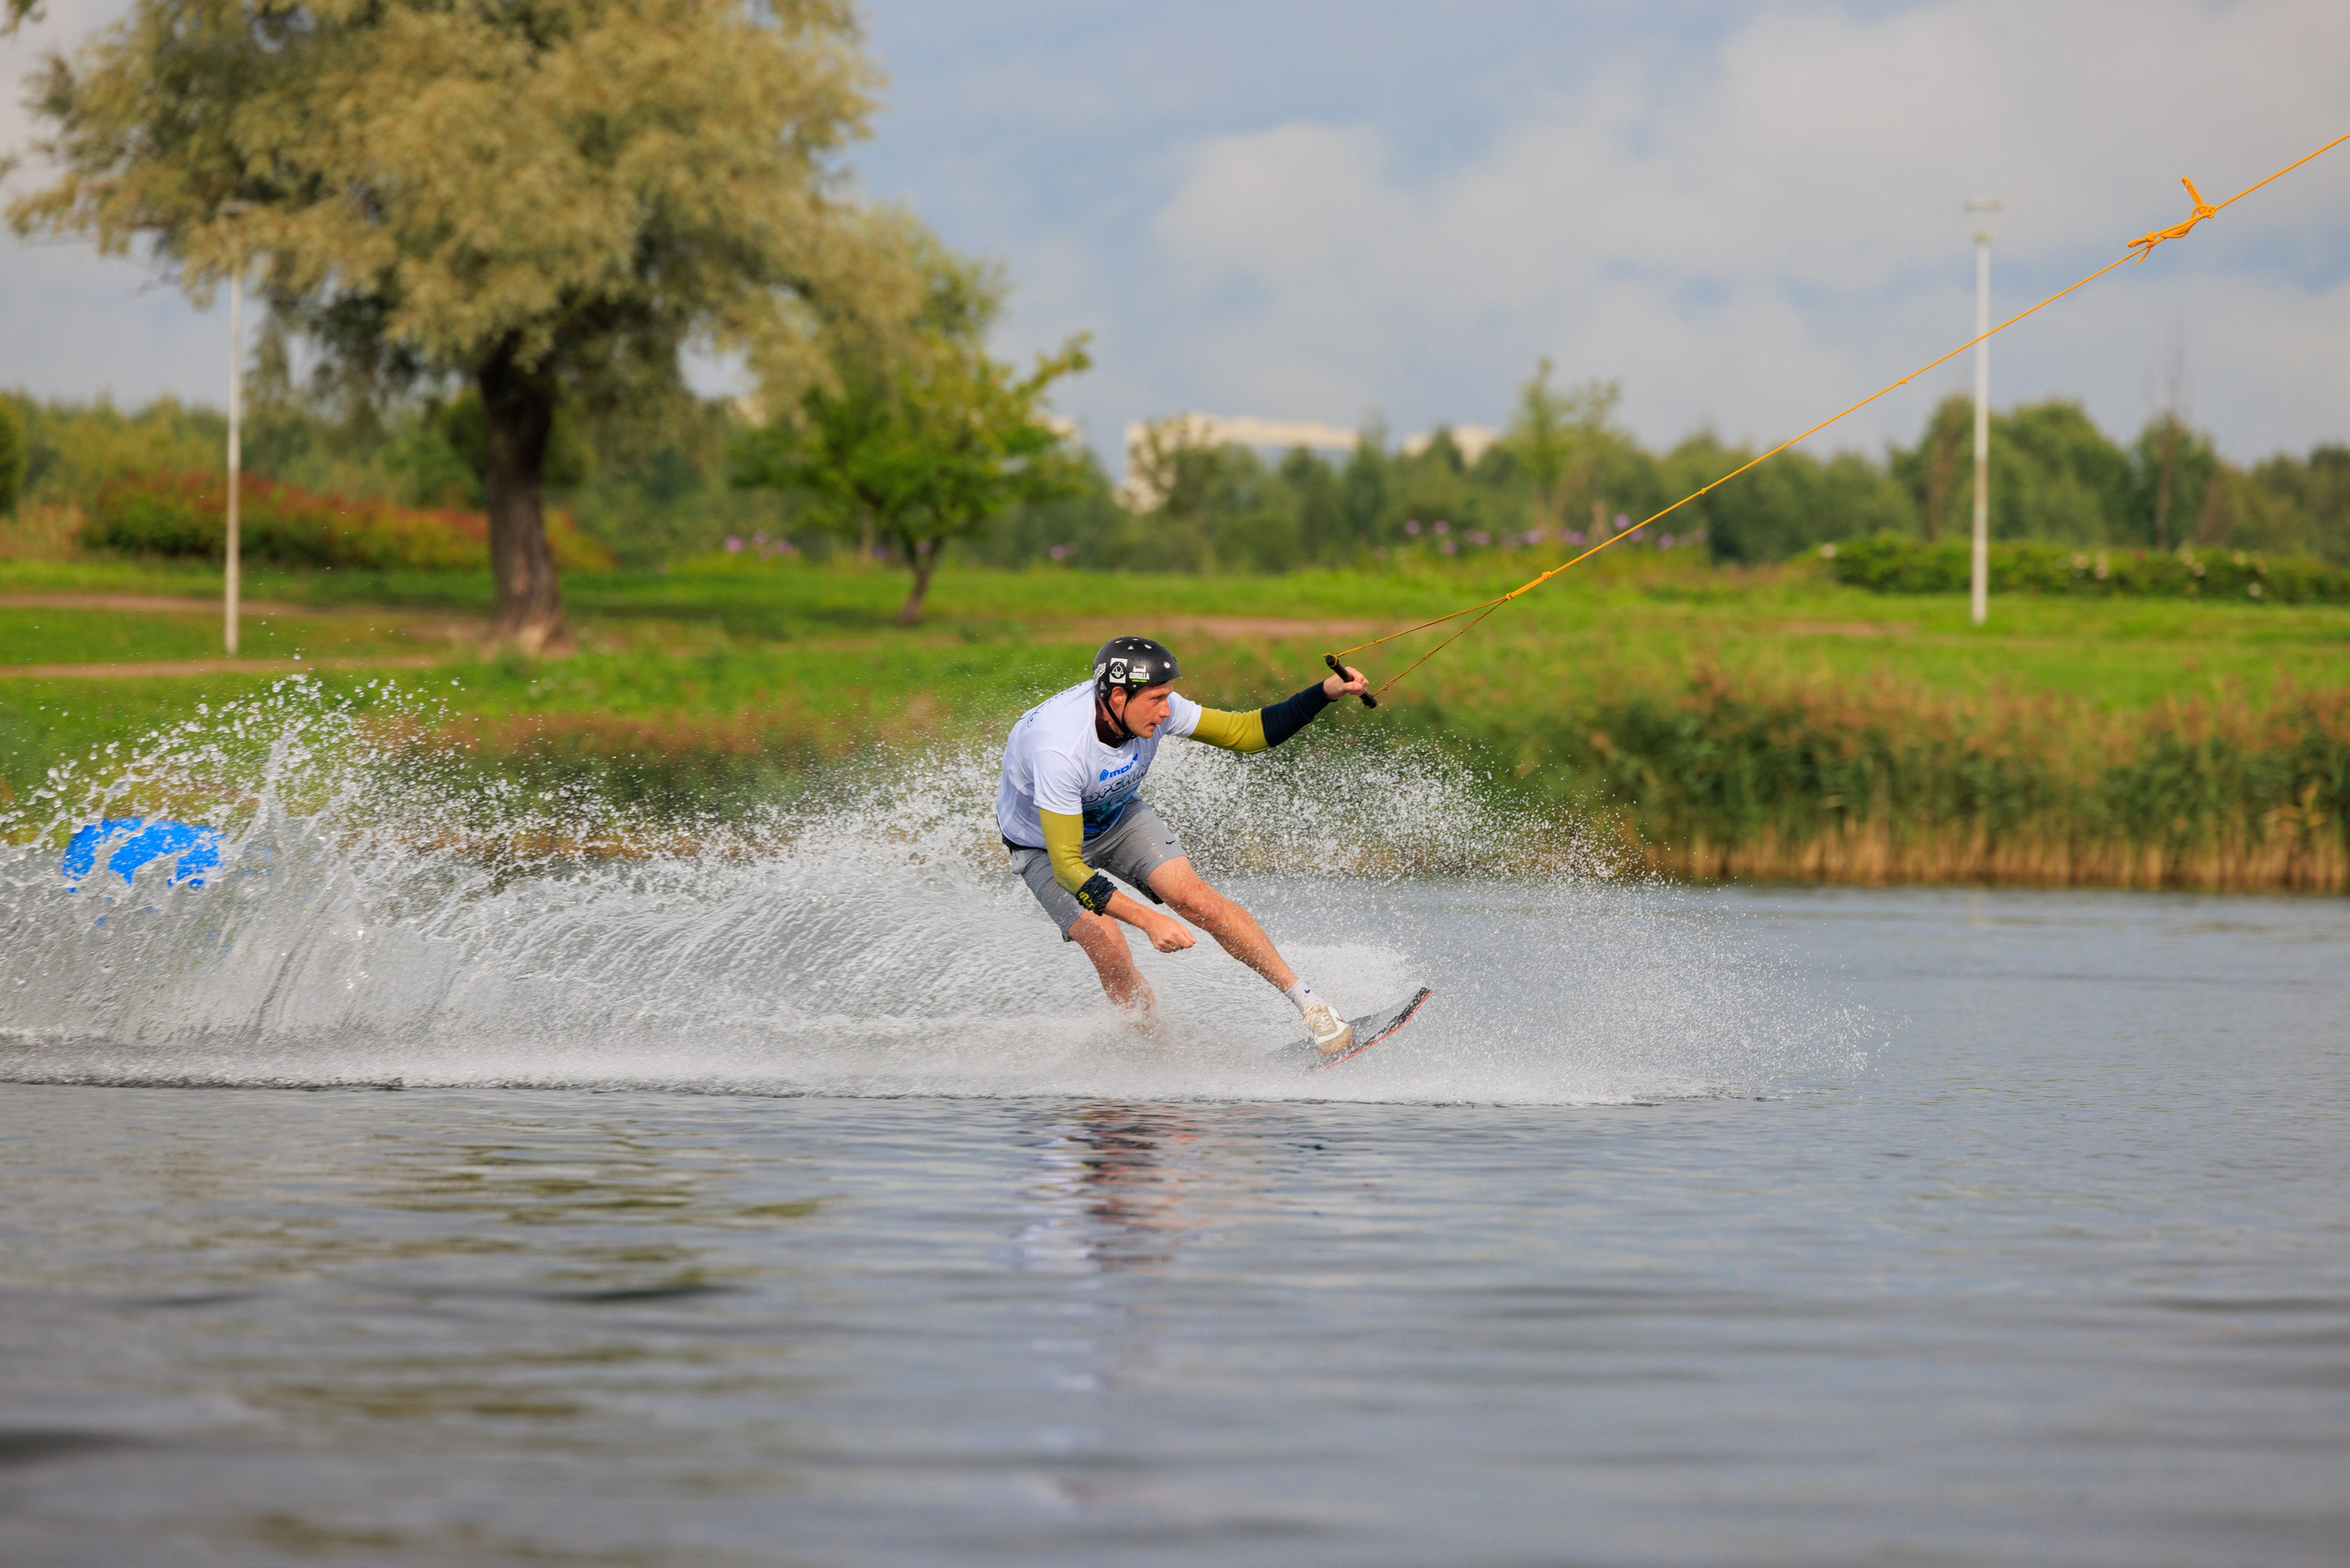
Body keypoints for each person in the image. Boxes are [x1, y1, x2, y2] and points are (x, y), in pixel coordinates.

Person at [997, 636, 1371, 1055]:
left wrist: (1323, 693)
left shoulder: (1150, 706)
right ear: (1117, 696)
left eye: (1168, 698)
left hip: (1117, 817)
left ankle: (1313, 1006)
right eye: (1157, 699)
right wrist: (1149, 921)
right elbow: (1068, 867)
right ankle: (1159, 1051)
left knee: (1198, 901)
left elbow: (1244, 732)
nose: (1166, 710)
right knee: (1109, 944)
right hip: (1044, 848)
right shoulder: (1058, 746)